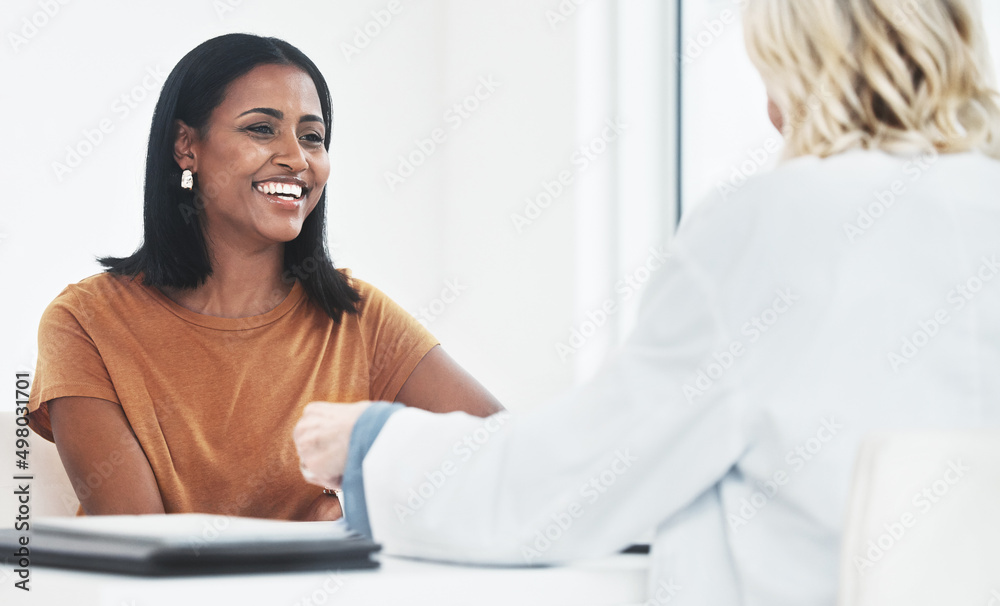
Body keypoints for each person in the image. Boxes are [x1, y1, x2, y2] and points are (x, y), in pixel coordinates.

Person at [293, 0, 1000, 603]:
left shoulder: (780, 223)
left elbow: (567, 481)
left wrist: (373, 447)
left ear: (801, 64)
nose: (772, 111)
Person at [27, 34, 502, 521]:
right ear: (186, 146)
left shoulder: (359, 319)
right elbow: (144, 547)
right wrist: (316, 531)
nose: (297, 158)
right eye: (261, 129)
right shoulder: (84, 323)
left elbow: (504, 460)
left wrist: (364, 506)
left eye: (312, 137)